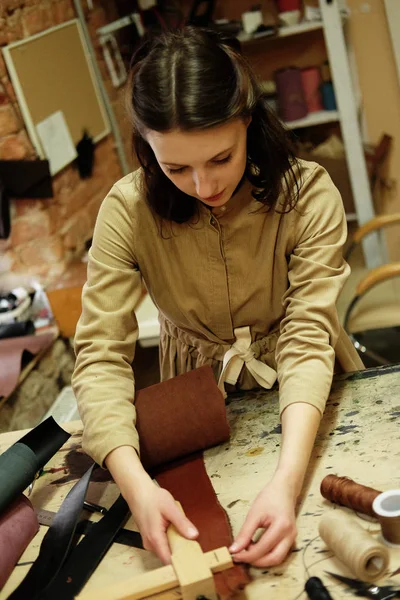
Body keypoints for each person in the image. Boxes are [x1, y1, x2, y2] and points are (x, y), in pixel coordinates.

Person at [72, 27, 363, 568]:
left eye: (220, 158)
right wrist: (135, 483)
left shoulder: (307, 193)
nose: (203, 186)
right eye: (176, 167)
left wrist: (286, 481)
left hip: (308, 389)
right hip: (194, 396)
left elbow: (306, 337)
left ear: (247, 121)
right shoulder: (126, 210)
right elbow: (101, 354)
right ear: (146, 145)